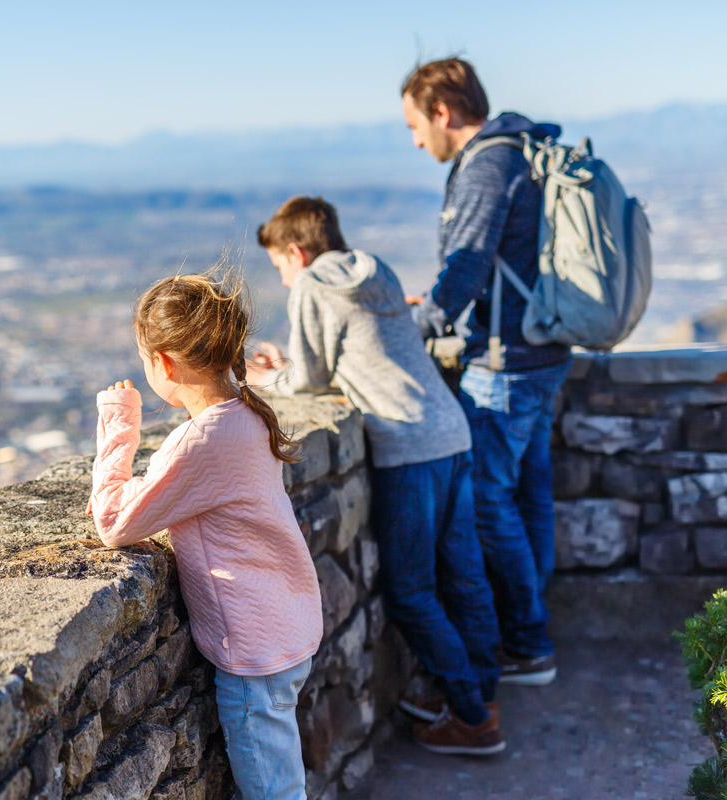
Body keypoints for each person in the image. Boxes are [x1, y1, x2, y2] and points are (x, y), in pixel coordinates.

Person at [246, 196, 504, 756]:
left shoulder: (315, 283)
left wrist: (265, 379)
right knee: (464, 575)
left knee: (411, 591)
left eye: (280, 267)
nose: (286, 281)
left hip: (408, 446)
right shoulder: (375, 266)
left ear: (296, 251)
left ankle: (473, 719)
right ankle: (483, 696)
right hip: (450, 431)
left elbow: (311, 381)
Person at [90, 270, 322, 800]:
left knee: (274, 792)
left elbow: (113, 524)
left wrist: (118, 423)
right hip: (286, 629)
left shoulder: (200, 441)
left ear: (164, 362)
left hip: (254, 653)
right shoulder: (245, 414)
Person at [400, 58, 570, 685]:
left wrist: (413, 330)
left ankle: (527, 643)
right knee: (529, 494)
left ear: (443, 113)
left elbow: (466, 271)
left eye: (416, 125)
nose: (417, 139)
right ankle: (534, 632)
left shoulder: (488, 162)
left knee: (488, 503)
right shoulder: (525, 148)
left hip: (504, 363)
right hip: (543, 350)